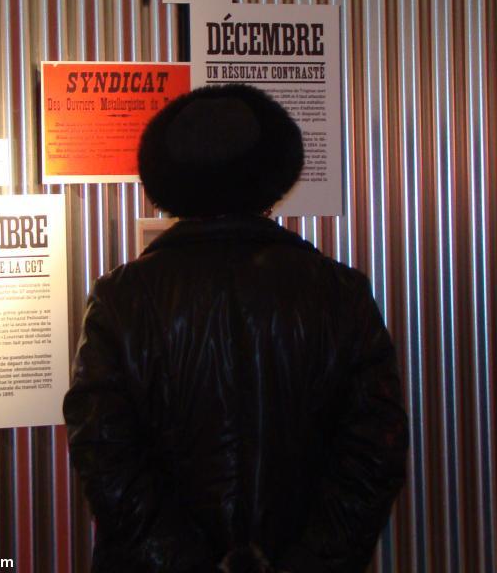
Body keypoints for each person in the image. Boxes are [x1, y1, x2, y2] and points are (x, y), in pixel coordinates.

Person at [63, 84, 408, 572]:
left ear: (169, 178)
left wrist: (182, 561)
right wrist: (309, 562)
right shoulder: (338, 292)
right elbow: (376, 449)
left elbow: (104, 454)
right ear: (272, 174)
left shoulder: (123, 298)